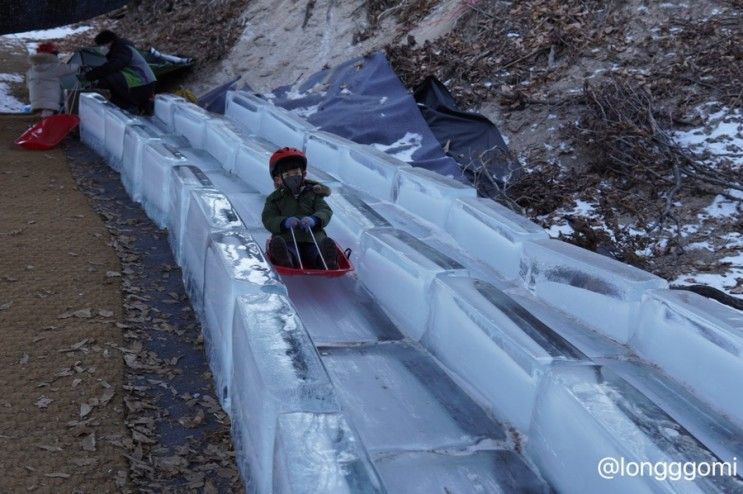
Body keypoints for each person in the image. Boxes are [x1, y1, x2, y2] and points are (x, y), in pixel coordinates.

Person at [262, 147, 338, 270]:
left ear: (303, 173)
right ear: (278, 179)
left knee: (316, 250)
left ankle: (325, 259)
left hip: (312, 237)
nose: (293, 177)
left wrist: (314, 220)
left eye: (296, 173)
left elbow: (325, 210)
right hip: (287, 237)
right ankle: (287, 258)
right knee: (288, 249)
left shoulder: (314, 193)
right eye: (287, 175)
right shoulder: (275, 199)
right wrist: (283, 222)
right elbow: (268, 218)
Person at [83, 30, 156, 115]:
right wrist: (93, 70)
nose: (101, 48)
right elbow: (111, 66)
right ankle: (129, 107)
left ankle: (130, 108)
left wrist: (90, 75)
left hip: (142, 82)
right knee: (110, 82)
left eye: (101, 45)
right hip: (140, 82)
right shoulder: (120, 49)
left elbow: (113, 66)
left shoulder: (123, 48)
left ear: (109, 42)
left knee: (107, 80)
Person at [26, 42, 80, 117]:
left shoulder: (31, 70)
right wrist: (81, 67)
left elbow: (28, 86)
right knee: (49, 122)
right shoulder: (54, 67)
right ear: (51, 55)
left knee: (42, 121)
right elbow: (70, 68)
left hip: (35, 103)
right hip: (50, 103)